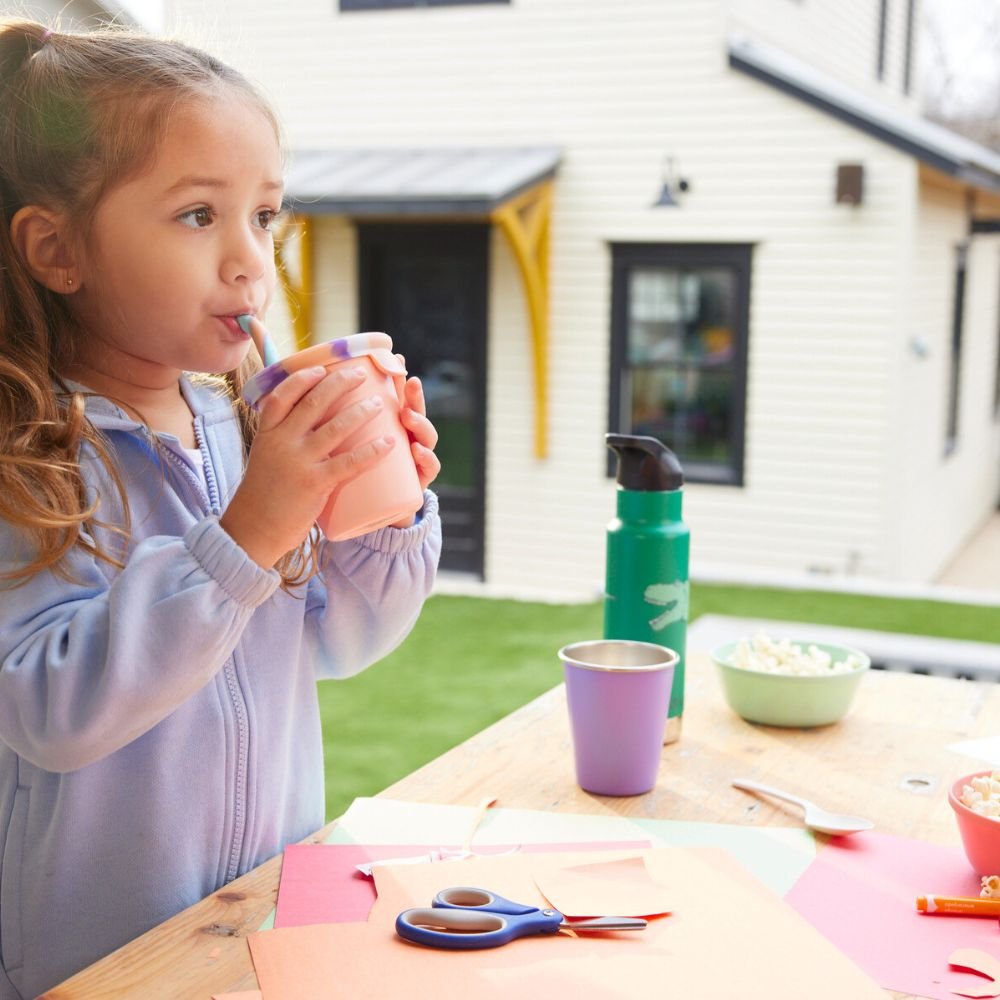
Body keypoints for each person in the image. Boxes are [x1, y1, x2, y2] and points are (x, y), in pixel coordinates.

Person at [0, 19, 442, 998]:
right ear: (57, 248)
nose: (251, 260)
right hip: (95, 963)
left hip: (261, 926)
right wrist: (245, 535)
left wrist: (383, 510)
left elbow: (336, 644)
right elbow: (46, 710)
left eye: (265, 215)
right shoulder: (29, 456)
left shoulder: (243, 425)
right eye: (199, 215)